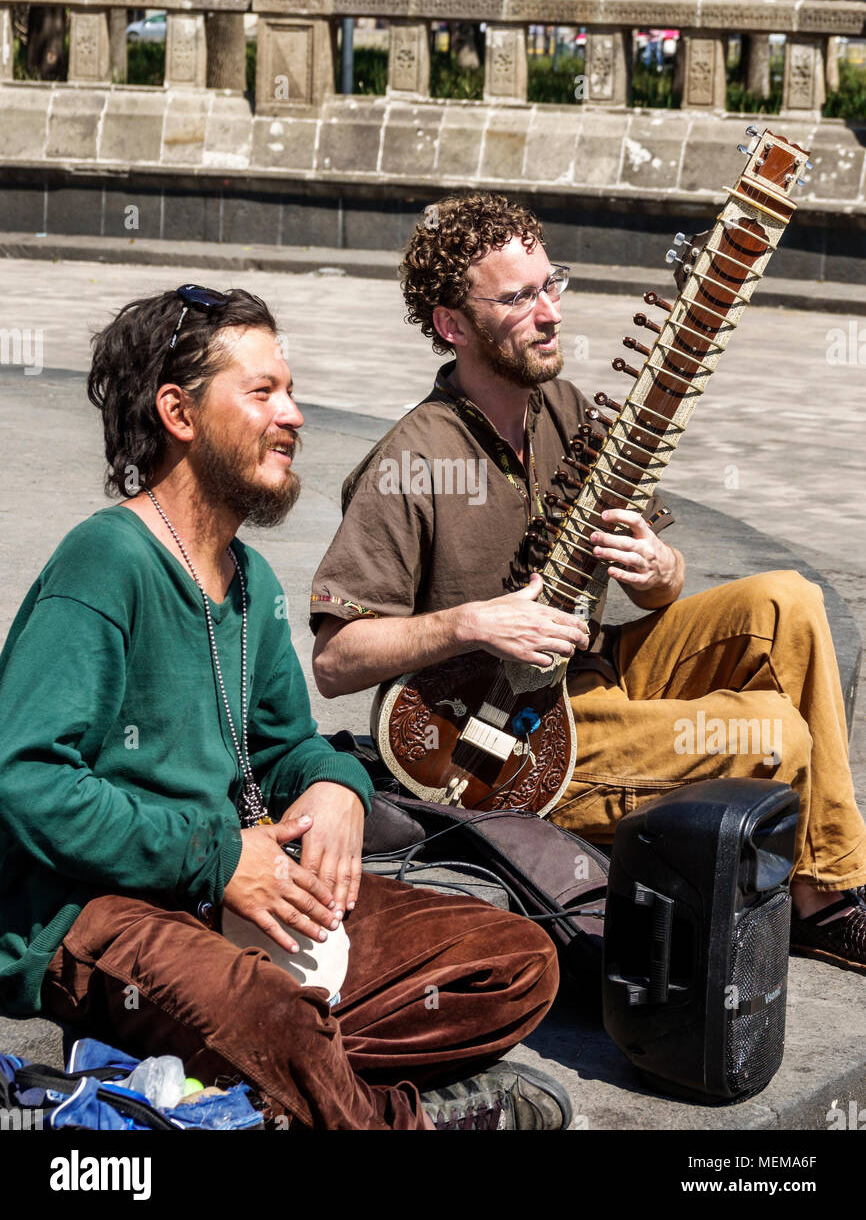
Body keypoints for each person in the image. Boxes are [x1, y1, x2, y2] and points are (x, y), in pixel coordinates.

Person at [0, 283, 568, 1132]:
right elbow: (28, 777)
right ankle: (384, 1114)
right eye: (262, 392)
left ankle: (270, 1087)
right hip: (100, 914)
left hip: (240, 898)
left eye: (290, 390)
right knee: (269, 1016)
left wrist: (336, 783)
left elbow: (283, 745)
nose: (293, 415)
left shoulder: (249, 579)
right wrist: (218, 858)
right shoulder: (104, 562)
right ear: (179, 414)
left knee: (515, 959)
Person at [310, 192, 866, 975]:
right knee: (773, 735)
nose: (550, 313)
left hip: (593, 667)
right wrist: (473, 623)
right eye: (519, 298)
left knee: (790, 604)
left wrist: (660, 573)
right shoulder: (412, 459)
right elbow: (335, 662)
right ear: (452, 325)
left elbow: (657, 591)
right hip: (501, 742)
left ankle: (826, 895)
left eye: (551, 284)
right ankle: (821, 898)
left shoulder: (568, 410)